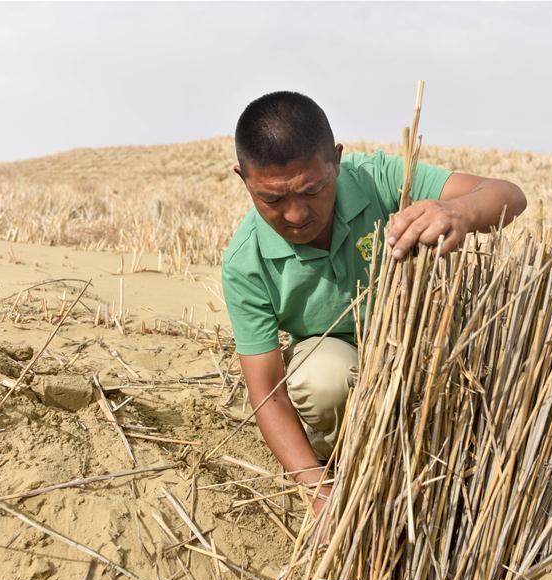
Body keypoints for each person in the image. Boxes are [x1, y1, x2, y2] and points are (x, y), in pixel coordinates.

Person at [221, 91, 526, 513]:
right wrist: (317, 492)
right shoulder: (245, 262)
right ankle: (347, 457)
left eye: (312, 190)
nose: (295, 215)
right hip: (338, 369)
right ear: (243, 179)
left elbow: (509, 195)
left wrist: (459, 212)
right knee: (322, 380)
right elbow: (268, 393)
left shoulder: (380, 178)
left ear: (336, 160)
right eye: (272, 199)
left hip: (421, 350)